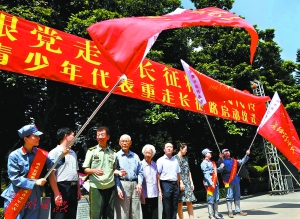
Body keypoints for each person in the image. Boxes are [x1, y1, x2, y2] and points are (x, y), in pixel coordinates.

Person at [1, 124, 67, 219]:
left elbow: (52, 166)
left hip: (33, 196)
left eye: (38, 136)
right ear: (26, 139)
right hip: (17, 195)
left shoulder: (41, 154)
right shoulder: (14, 156)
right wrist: (35, 182)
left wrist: (62, 156)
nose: (38, 138)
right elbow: (14, 178)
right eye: (35, 136)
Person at [82, 126, 118, 219]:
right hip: (96, 187)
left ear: (108, 137)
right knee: (96, 214)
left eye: (102, 134)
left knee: (109, 214)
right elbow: (85, 169)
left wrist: (120, 172)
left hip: (110, 187)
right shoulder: (91, 151)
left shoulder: (113, 153)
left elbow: (113, 169)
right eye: (98, 135)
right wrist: (94, 170)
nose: (100, 137)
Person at [48, 127, 81, 219]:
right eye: (73, 135)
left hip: (73, 188)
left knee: (72, 215)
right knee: (60, 215)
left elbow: (76, 172)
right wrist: (56, 193)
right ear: (66, 136)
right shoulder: (54, 152)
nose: (75, 138)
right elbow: (51, 174)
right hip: (61, 188)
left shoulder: (73, 152)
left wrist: (78, 189)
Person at [115, 134, 143, 219]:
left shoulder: (135, 156)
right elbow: (114, 173)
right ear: (119, 143)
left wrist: (139, 183)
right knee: (124, 212)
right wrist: (118, 187)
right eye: (122, 141)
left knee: (136, 212)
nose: (124, 143)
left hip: (135, 185)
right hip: (123, 184)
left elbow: (140, 172)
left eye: (126, 141)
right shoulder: (116, 156)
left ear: (130, 143)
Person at [219, 148, 250, 218]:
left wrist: (246, 155)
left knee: (237, 195)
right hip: (228, 180)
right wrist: (220, 158)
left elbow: (242, 162)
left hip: (236, 179)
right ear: (223, 154)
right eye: (225, 152)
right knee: (229, 196)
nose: (227, 152)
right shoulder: (222, 160)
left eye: (228, 151)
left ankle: (238, 210)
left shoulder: (234, 160)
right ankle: (230, 211)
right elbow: (219, 168)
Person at [157, 142, 184, 219]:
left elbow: (178, 174)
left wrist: (180, 184)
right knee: (167, 207)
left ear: (173, 150)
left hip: (175, 185)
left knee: (174, 206)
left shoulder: (175, 160)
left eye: (171, 147)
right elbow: (158, 176)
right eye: (167, 147)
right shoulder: (160, 160)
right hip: (165, 184)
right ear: (164, 149)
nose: (169, 148)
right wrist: (159, 190)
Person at [174, 142, 197, 219]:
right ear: (181, 149)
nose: (186, 151)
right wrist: (180, 182)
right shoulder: (175, 158)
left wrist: (191, 182)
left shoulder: (185, 159)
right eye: (185, 149)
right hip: (179, 182)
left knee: (189, 202)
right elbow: (176, 172)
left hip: (187, 182)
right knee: (180, 203)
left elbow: (189, 171)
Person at [201, 148, 224, 219]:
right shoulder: (204, 163)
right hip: (209, 184)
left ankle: (216, 214)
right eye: (209, 153)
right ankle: (211, 215)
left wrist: (220, 168)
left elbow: (215, 171)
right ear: (205, 154)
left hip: (215, 183)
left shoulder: (212, 162)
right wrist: (211, 183)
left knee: (216, 199)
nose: (210, 154)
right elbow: (206, 174)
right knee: (210, 199)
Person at [141, 144, 158, 219]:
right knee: (146, 215)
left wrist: (159, 191)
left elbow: (157, 178)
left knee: (154, 214)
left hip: (154, 193)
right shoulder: (140, 164)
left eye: (149, 153)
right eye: (146, 153)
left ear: (152, 154)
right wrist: (141, 194)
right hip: (144, 194)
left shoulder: (155, 164)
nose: (147, 155)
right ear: (143, 153)